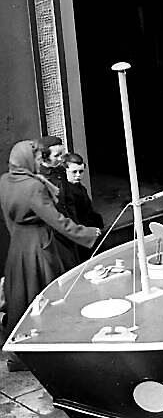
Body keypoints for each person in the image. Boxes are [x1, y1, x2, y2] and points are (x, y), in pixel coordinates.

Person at [0, 141, 100, 366]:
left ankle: (20, 356)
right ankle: (53, 353)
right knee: (49, 299)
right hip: (40, 247)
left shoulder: (6, 181)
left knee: (21, 300)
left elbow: (8, 218)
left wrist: (18, 236)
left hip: (18, 246)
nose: (40, 162)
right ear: (27, 160)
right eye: (36, 159)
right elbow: (57, 221)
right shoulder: (34, 187)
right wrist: (87, 233)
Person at [56, 153, 104, 263]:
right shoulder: (64, 193)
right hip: (79, 236)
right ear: (65, 171)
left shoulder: (80, 187)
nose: (78, 175)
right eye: (74, 172)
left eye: (81, 171)